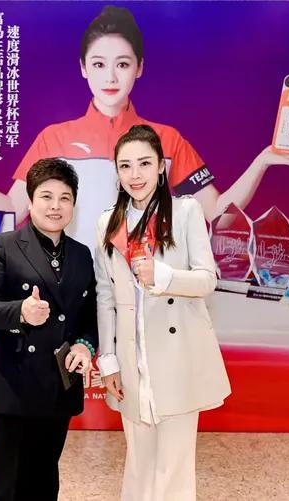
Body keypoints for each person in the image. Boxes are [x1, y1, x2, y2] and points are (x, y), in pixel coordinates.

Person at [0, 5, 289, 253]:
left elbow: (215, 213)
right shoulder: (53, 139)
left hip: (147, 289)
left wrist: (264, 160)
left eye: (122, 64)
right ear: (83, 69)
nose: (110, 76)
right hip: (70, 285)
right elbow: (8, 214)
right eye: (99, 64)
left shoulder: (168, 140)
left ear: (139, 68)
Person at [94, 125, 231, 501]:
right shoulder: (108, 222)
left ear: (160, 167)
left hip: (177, 353)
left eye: (144, 163)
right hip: (132, 358)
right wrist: (109, 359)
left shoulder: (186, 211)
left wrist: (164, 276)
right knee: (139, 461)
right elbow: (105, 296)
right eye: (125, 166)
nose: (134, 175)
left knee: (174, 464)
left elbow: (207, 280)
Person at [0, 158, 98, 501]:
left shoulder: (82, 255)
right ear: (30, 201)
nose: (55, 206)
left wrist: (85, 346)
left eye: (64, 198)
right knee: (8, 487)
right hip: (13, 386)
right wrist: (21, 312)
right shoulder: (4, 246)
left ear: (73, 205)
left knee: (45, 481)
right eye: (46, 196)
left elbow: (90, 317)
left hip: (58, 386)